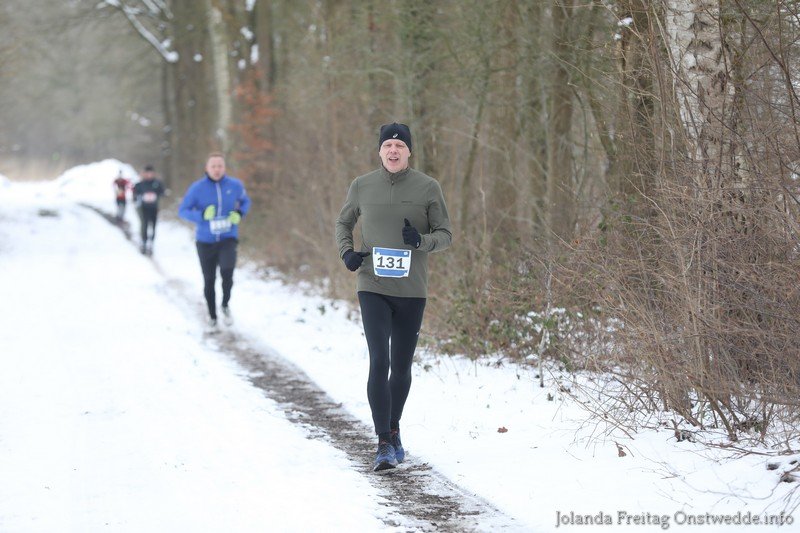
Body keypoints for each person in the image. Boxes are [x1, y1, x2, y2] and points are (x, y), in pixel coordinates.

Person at [335, 122, 453, 471]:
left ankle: (394, 426)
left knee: (401, 367)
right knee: (380, 361)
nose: (393, 150)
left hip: (412, 290)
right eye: (388, 145)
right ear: (380, 150)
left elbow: (445, 234)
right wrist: (346, 252)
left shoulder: (428, 187)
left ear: (409, 151)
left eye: (400, 146)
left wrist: (421, 241)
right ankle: (383, 442)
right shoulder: (362, 185)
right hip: (372, 285)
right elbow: (343, 223)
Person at [178, 153, 251, 329]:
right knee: (209, 279)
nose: (217, 169)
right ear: (207, 168)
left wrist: (239, 213)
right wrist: (201, 215)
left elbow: (245, 201)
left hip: (228, 238)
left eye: (220, 166)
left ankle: (225, 304)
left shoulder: (235, 185)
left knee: (227, 273)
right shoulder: (197, 188)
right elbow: (183, 210)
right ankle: (212, 315)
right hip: (205, 241)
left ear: (224, 168)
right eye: (213, 166)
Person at [132, 164, 166, 255]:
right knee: (144, 225)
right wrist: (138, 197)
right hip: (144, 208)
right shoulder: (140, 184)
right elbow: (134, 194)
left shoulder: (157, 183)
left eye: (151, 173)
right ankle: (144, 242)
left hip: (154, 208)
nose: (149, 175)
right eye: (147, 173)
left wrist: (158, 195)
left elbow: (163, 192)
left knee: (153, 225)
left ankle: (151, 243)